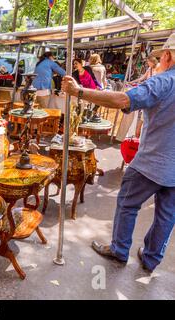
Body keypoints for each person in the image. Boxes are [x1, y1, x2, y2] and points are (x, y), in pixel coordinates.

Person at [60, 33, 175, 273]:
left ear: (167, 56)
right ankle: (152, 258)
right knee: (167, 215)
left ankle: (120, 249)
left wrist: (79, 91)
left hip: (153, 162)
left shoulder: (165, 81)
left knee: (127, 203)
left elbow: (123, 100)